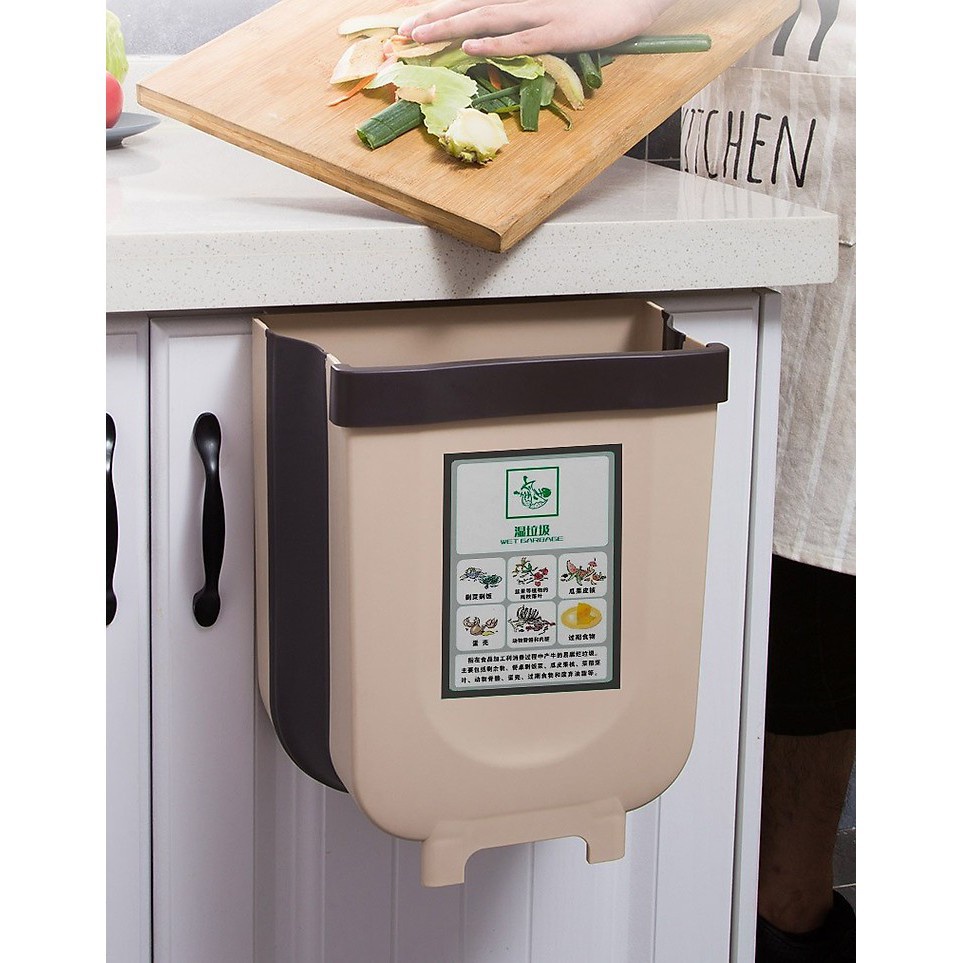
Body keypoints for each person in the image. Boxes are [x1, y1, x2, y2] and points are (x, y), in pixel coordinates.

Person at [402, 3, 857, 962]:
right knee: (728, 571)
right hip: (743, 137)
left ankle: (787, 907)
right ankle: (752, 905)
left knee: (821, 575)